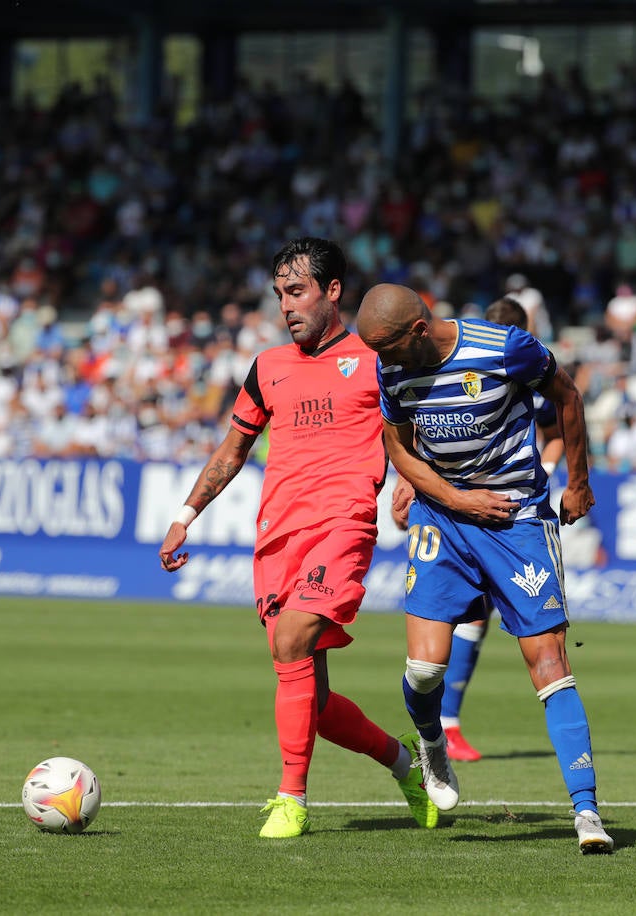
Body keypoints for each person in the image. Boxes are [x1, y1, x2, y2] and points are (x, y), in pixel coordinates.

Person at [157, 238, 437, 839]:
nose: (286, 306)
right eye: (280, 294)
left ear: (332, 292)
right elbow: (233, 451)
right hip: (277, 537)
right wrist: (185, 515)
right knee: (311, 696)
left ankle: (290, 798)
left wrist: (412, 479)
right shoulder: (268, 367)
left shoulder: (376, 355)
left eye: (298, 291)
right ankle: (404, 764)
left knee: (292, 639)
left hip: (342, 524)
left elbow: (414, 424)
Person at [356, 282, 613, 854]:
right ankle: (431, 742)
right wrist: (447, 496)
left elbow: (567, 395)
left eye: (387, 347)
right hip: (443, 517)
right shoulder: (392, 368)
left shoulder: (503, 348)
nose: (381, 360)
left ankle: (587, 811)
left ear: (418, 331)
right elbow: (398, 448)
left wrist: (580, 482)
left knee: (549, 663)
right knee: (423, 672)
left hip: (516, 518)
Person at [389, 296, 564, 762]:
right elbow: (409, 432)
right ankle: (445, 724)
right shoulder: (450, 368)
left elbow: (557, 420)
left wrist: (541, 468)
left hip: (511, 502)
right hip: (456, 513)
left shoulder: (515, 366)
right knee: (467, 622)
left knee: (483, 621)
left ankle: (448, 722)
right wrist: (409, 477)